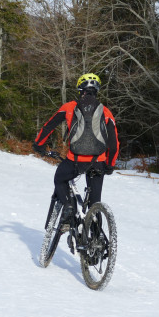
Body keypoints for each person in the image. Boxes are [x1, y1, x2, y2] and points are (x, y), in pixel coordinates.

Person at [33, 73, 119, 226]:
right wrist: (110, 165)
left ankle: (68, 206)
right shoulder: (105, 112)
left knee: (60, 179)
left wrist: (39, 145)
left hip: (75, 161)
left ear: (80, 89)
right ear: (97, 90)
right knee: (95, 203)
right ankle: (96, 241)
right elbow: (114, 144)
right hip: (98, 162)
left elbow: (48, 127)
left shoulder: (69, 107)